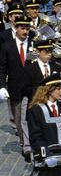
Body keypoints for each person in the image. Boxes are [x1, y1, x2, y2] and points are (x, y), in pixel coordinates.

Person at [0, 15, 33, 160]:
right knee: (19, 118)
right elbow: (2, 68)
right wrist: (2, 87)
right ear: (16, 28)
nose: (25, 31)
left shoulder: (34, 44)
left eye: (27, 28)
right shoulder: (7, 46)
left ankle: (29, 145)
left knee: (32, 117)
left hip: (33, 88)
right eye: (23, 28)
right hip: (16, 87)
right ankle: (23, 141)